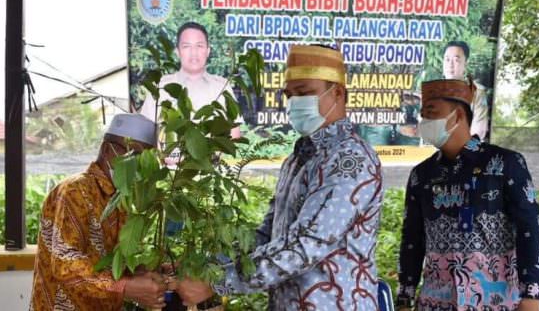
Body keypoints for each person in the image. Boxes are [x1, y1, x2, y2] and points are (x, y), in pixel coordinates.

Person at [176, 44, 384, 310]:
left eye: (304, 93)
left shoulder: (351, 160)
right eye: (290, 94)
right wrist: (208, 264)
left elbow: (306, 244)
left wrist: (216, 282)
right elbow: (266, 236)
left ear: (339, 93)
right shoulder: (298, 158)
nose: (294, 102)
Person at [396, 79, 539, 311]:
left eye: (431, 113)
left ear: (457, 116)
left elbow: (531, 228)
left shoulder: (504, 162)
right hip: (436, 303)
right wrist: (405, 299)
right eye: (422, 114)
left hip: (495, 303)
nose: (423, 121)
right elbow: (412, 240)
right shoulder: (421, 175)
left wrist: (532, 296)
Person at [30, 114, 169, 311]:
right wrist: (125, 287)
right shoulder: (75, 190)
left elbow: (114, 261)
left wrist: (146, 271)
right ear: (106, 149)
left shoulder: (123, 199)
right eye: (133, 154)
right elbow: (64, 262)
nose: (138, 166)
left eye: (146, 158)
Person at [139, 21, 241, 139]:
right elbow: (144, 134)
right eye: (187, 46)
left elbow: (234, 135)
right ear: (177, 52)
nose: (193, 52)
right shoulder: (160, 87)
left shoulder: (222, 87)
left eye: (199, 46)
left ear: (208, 51)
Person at [443, 40, 490, 141]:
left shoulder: (477, 93)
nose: (450, 65)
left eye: (456, 60)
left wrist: (465, 154)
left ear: (465, 63)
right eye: (447, 59)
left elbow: (479, 133)